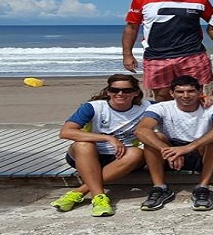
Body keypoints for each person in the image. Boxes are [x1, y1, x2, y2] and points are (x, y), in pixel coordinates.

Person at [50, 74, 150, 217]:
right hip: (89, 155)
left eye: (126, 90)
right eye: (115, 90)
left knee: (137, 153)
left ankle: (79, 191)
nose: (120, 94)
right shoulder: (93, 107)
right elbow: (65, 132)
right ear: (108, 91)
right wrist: (106, 138)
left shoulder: (147, 107)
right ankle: (99, 197)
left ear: (135, 92)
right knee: (83, 145)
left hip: (122, 157)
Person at [123, 0, 213, 102]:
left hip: (191, 55)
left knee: (193, 96)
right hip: (156, 55)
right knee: (162, 97)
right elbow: (132, 27)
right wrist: (127, 55)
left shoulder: (199, 0)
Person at [134, 75, 213, 211]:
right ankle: (159, 187)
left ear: (200, 92)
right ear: (172, 93)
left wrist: (187, 148)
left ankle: (202, 187)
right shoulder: (162, 107)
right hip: (169, 154)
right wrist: (167, 150)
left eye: (191, 91)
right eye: (180, 92)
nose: (186, 95)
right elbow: (141, 130)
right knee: (154, 137)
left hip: (200, 151)